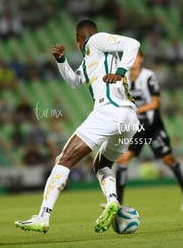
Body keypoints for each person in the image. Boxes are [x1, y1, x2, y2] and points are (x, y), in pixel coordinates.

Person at [14, 19, 140, 233]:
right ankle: (112, 201)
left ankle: (43, 217)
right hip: (129, 118)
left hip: (108, 110)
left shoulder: (96, 41)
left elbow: (133, 44)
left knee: (63, 160)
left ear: (78, 39)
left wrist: (120, 71)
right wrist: (62, 61)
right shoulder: (89, 60)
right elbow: (74, 81)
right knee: (101, 165)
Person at [113, 51, 183, 211]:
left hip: (153, 126)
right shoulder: (123, 79)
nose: (132, 60)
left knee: (168, 160)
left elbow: (155, 103)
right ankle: (117, 203)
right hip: (136, 126)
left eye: (135, 57)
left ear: (141, 59)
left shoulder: (148, 76)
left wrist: (135, 110)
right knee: (123, 159)